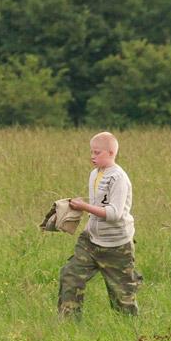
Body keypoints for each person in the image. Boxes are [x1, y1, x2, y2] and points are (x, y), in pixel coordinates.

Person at [58, 132, 142, 318]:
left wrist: (85, 206)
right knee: (70, 276)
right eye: (91, 152)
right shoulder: (95, 174)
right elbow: (98, 205)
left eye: (97, 153)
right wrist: (76, 207)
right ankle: (68, 324)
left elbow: (114, 214)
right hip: (91, 240)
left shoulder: (118, 178)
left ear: (111, 153)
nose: (92, 157)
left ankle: (130, 333)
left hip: (116, 245)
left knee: (122, 296)